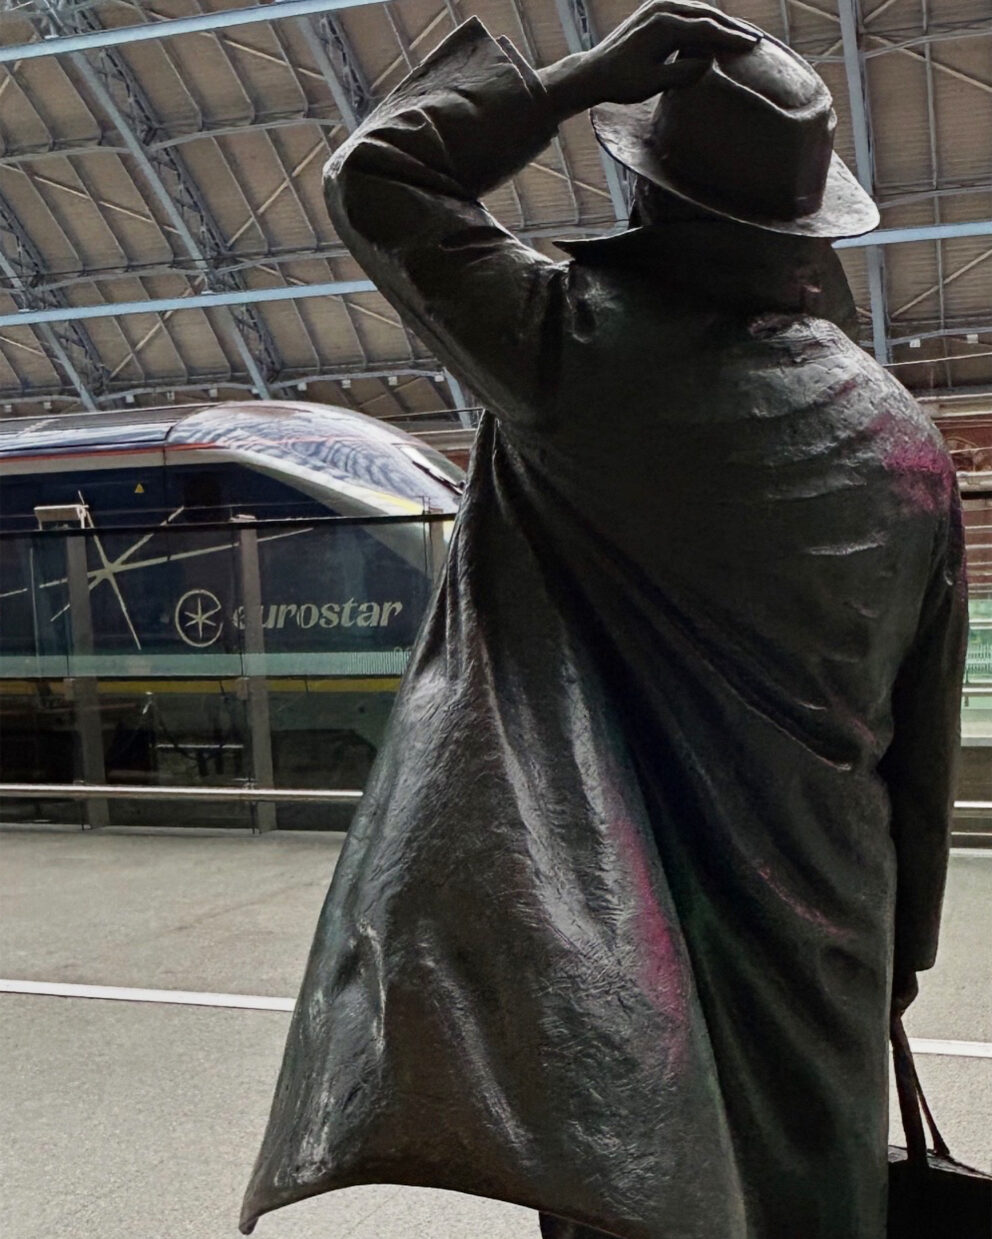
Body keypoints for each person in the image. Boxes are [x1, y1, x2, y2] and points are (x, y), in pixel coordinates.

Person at [241, 5, 967, 1238]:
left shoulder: (568, 346)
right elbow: (922, 735)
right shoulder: (906, 439)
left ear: (648, 196)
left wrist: (576, 78)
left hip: (619, 909)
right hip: (828, 913)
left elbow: (380, 173)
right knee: (816, 1198)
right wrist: (896, 949)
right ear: (803, 224)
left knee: (633, 1188)